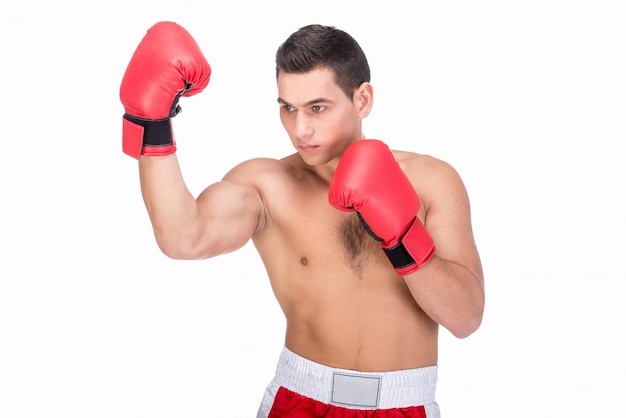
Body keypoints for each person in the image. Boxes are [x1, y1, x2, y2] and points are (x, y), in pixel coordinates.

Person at [119, 21, 485, 418]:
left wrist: (402, 237)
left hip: (404, 402)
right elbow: (182, 238)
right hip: (299, 399)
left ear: (362, 100)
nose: (300, 129)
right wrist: (153, 124)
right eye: (287, 108)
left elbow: (466, 318)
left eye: (318, 108)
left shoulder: (431, 181)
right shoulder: (267, 185)